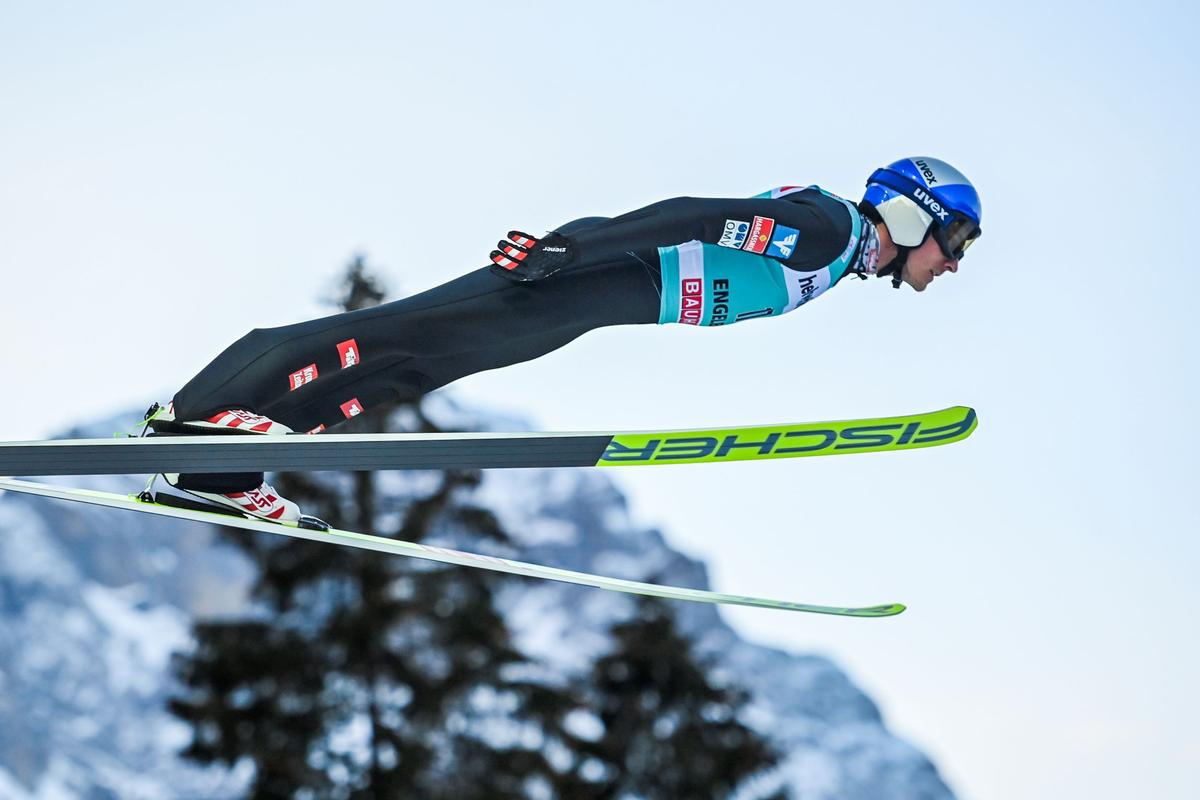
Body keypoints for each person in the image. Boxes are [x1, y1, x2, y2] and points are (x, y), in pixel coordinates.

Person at [149, 156, 983, 521]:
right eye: (955, 240)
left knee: (411, 365)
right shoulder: (827, 230)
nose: (952, 263)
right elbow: (692, 216)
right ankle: (201, 416)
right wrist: (570, 251)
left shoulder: (835, 257)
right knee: (391, 335)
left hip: (592, 298)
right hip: (587, 275)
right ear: (913, 213)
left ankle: (221, 468)